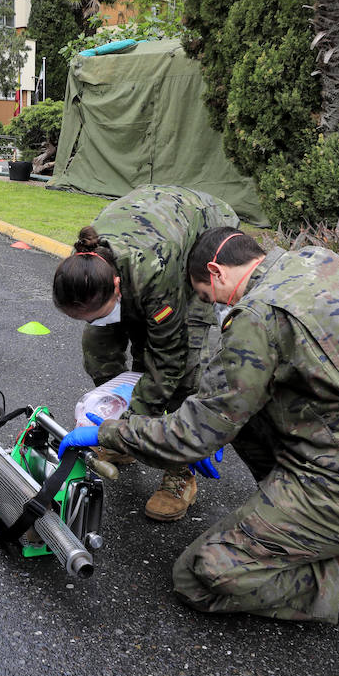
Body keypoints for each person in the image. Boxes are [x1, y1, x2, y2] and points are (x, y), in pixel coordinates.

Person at [58, 227, 339, 652]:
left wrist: (108, 433)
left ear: (216, 271)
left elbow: (193, 433)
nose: (216, 307)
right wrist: (216, 425)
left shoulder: (258, 315)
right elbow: (234, 395)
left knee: (201, 577)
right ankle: (312, 533)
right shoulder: (315, 261)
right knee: (238, 414)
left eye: (208, 296)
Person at [51, 185, 239, 521]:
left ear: (118, 287)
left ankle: (180, 473)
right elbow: (102, 332)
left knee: (181, 373)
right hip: (147, 235)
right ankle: (127, 434)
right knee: (96, 348)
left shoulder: (154, 270)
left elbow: (168, 357)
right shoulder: (85, 264)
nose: (94, 321)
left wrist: (140, 414)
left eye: (98, 312)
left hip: (198, 237)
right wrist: (122, 420)